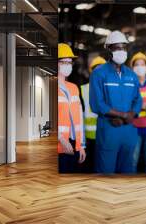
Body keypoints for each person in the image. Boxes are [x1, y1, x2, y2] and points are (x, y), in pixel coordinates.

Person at [89, 31, 142, 174]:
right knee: (106, 172)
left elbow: (138, 99)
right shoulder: (99, 73)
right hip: (109, 130)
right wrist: (124, 115)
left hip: (128, 131)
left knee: (127, 172)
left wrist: (130, 114)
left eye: (123, 48)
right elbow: (97, 104)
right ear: (109, 49)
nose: (121, 51)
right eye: (117, 48)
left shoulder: (131, 75)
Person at [58, 43, 86, 173]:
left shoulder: (74, 88)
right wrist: (62, 140)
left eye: (69, 62)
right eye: (64, 62)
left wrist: (81, 146)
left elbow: (80, 119)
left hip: (75, 144)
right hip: (60, 146)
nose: (68, 65)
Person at [79, 56, 106, 172]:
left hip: (106, 136)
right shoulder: (82, 89)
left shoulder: (110, 89)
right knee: (89, 168)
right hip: (88, 139)